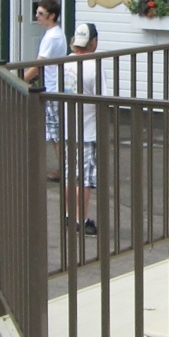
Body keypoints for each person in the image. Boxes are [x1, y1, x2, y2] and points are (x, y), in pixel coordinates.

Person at [22, 0, 67, 175]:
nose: (37, 16)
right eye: (37, 12)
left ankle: (64, 169)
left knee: (56, 132)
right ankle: (65, 167)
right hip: (54, 83)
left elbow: (38, 64)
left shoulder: (51, 37)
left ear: (52, 15)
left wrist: (22, 79)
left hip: (52, 87)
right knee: (57, 131)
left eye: (41, 13)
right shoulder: (57, 33)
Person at [63, 23, 101, 236]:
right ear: (93, 42)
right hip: (87, 129)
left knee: (70, 173)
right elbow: (102, 99)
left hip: (69, 127)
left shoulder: (67, 62)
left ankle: (69, 214)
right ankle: (81, 219)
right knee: (84, 178)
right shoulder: (94, 65)